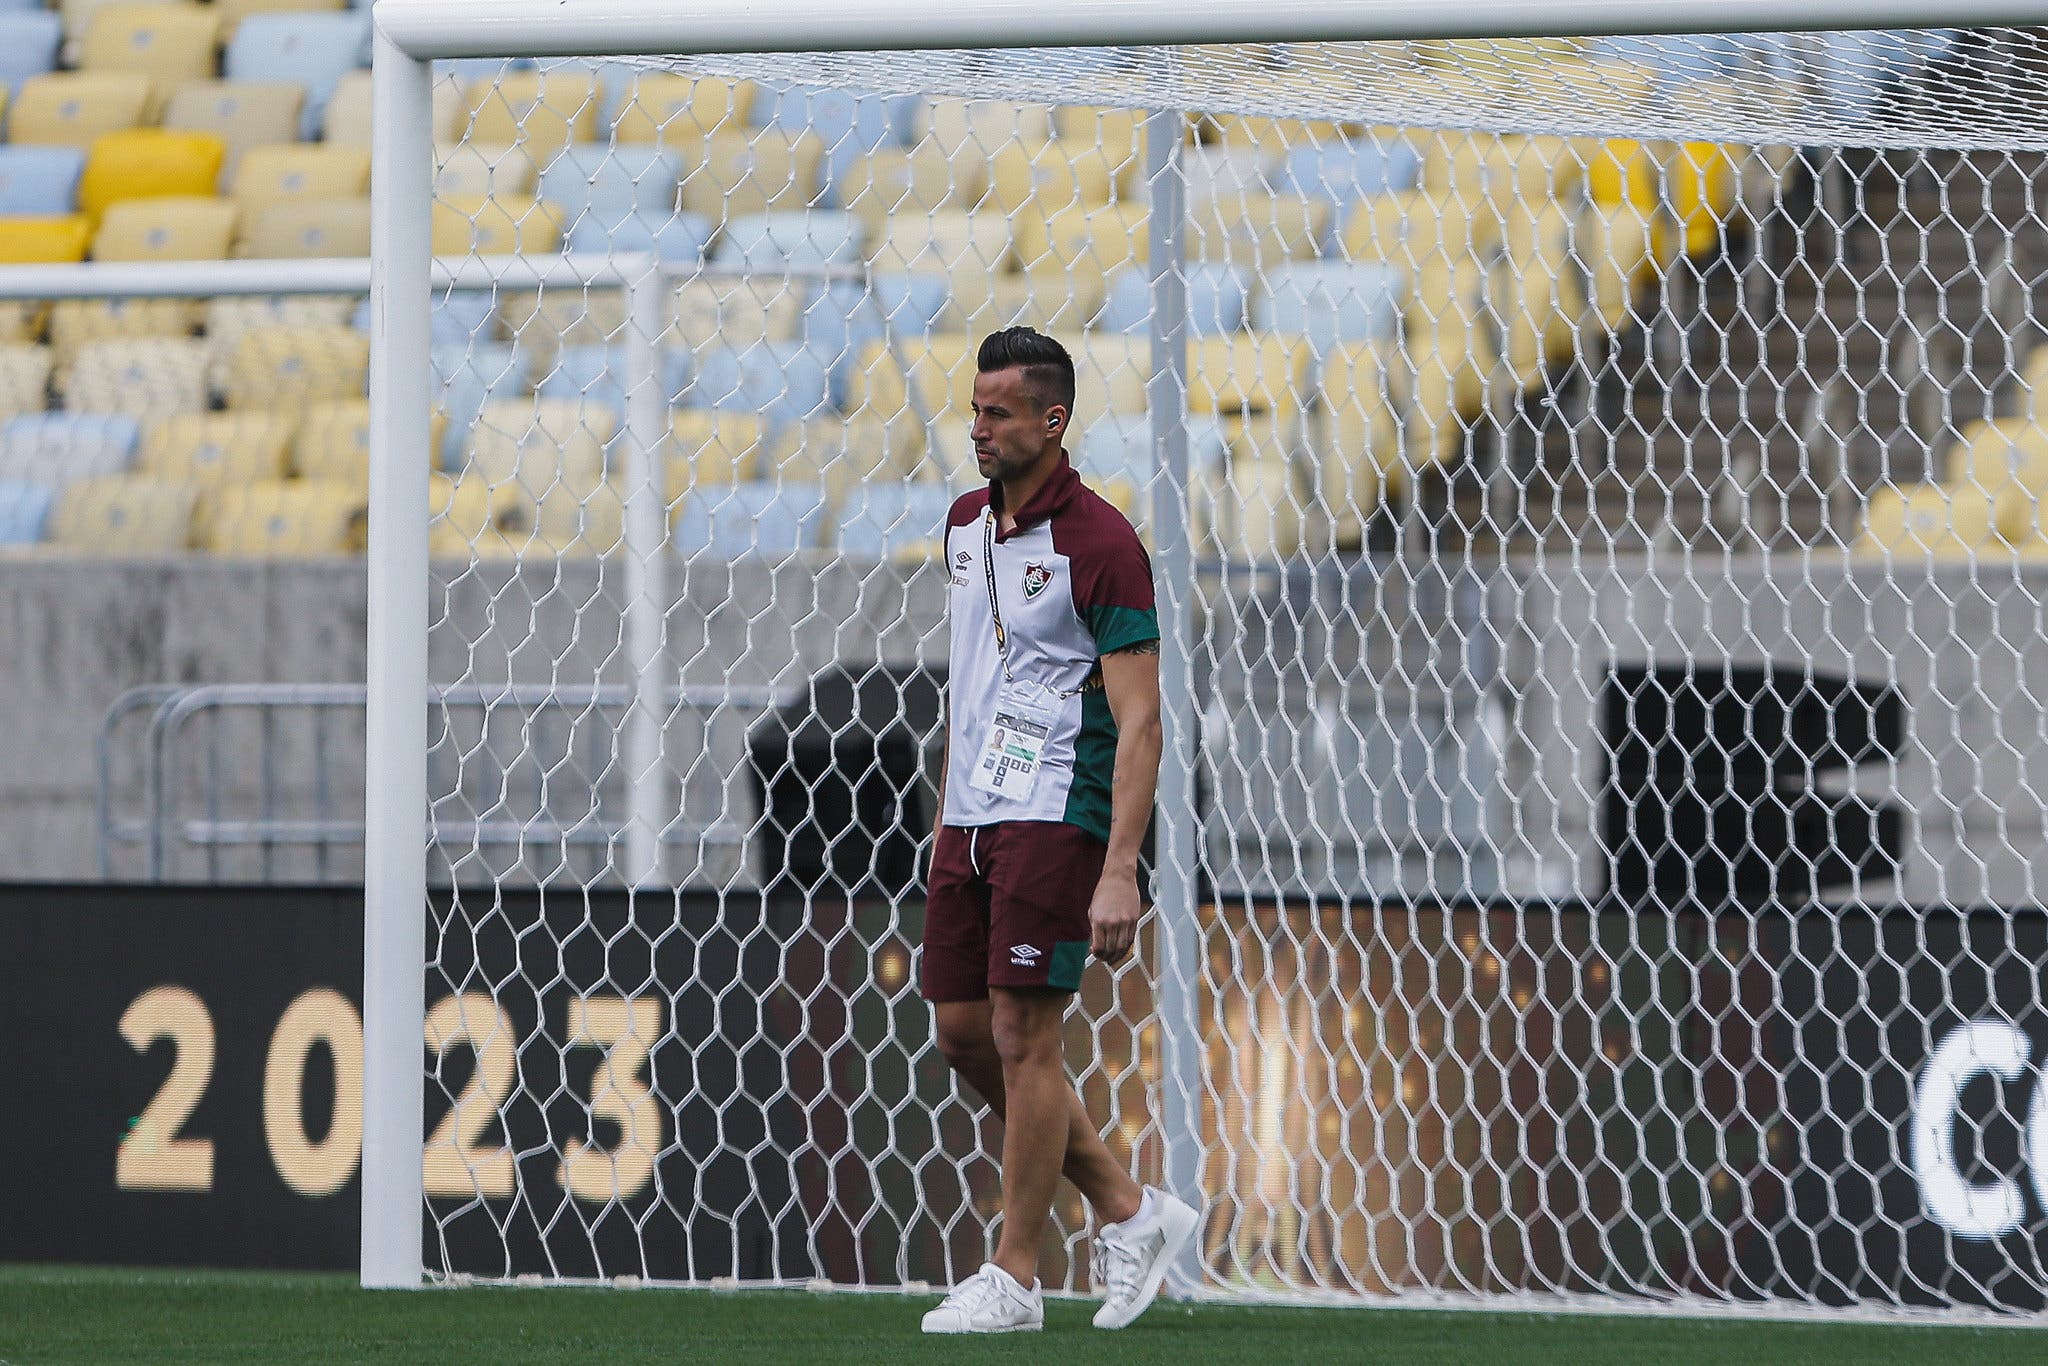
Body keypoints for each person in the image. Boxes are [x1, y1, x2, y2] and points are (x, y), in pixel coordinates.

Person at [918, 327, 1200, 1335]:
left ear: (1052, 420)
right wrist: (951, 813)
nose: (978, 425)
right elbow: (976, 677)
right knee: (960, 1031)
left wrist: (1119, 867)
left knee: (1023, 1032)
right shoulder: (962, 527)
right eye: (975, 406)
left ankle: (1017, 1274)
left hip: (1056, 804)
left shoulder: (1102, 543)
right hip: (972, 812)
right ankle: (1129, 1208)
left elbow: (1142, 719)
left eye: (998, 410)